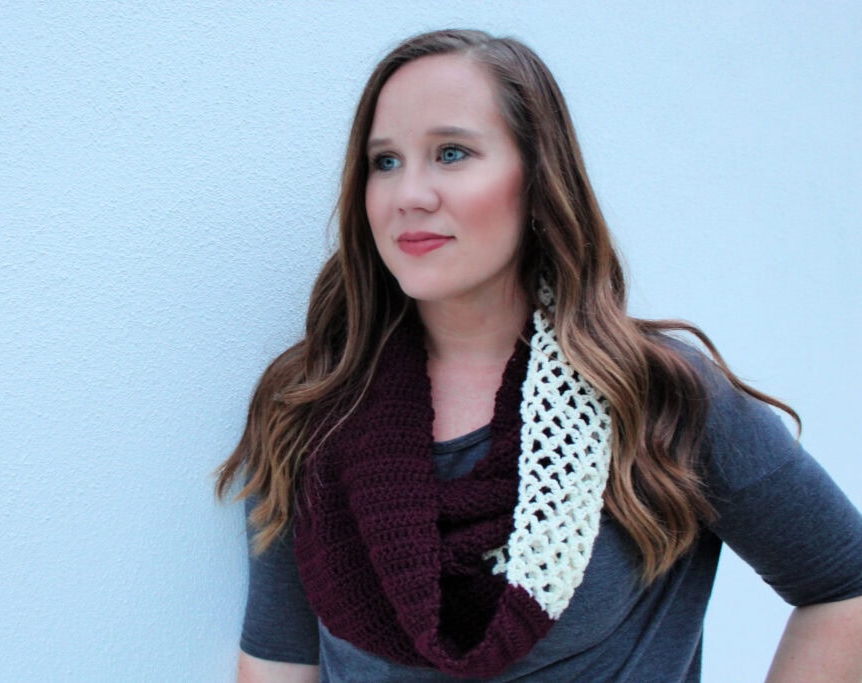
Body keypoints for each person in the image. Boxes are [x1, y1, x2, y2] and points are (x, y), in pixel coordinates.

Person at [215, 29, 862, 682]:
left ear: (537, 178)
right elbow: (278, 661)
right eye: (385, 161)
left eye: (451, 152)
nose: (409, 192)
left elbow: (845, 583)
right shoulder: (311, 405)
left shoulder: (657, 397)